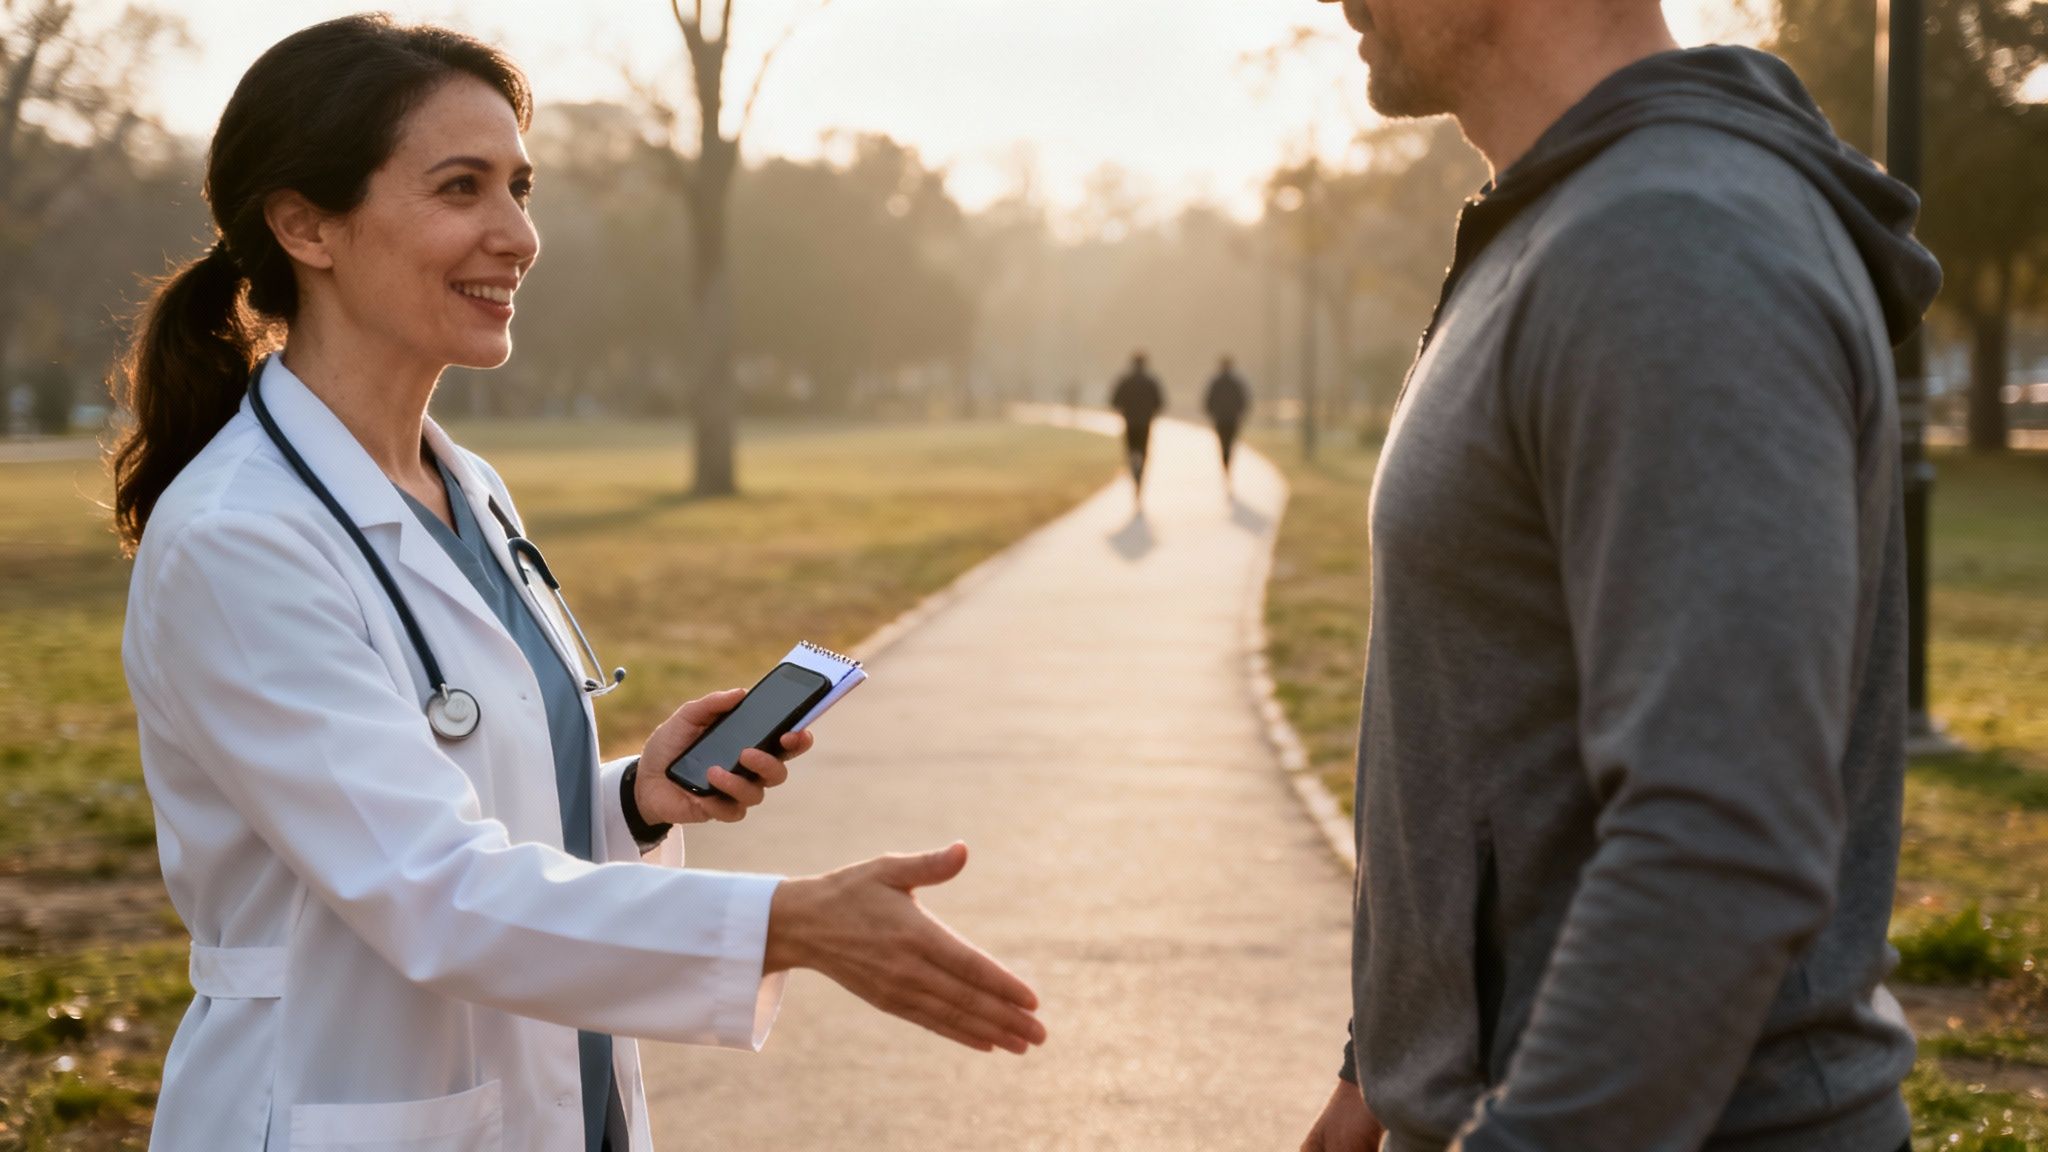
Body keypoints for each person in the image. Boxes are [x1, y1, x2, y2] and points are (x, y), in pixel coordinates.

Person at [109, 17, 1043, 1152]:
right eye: (462, 188)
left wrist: (633, 801)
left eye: (520, 185)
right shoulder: (237, 538)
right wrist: (790, 924)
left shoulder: (469, 488)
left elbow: (467, 799)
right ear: (305, 224)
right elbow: (430, 888)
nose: (518, 235)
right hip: (341, 1105)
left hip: (556, 1100)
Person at [1298, 2, 1940, 1151]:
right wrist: (1387, 1064)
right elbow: (1495, 723)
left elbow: (1720, 829)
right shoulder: (1569, 221)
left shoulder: (1675, 241)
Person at [1109, 352, 1165, 497]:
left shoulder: (1125, 380)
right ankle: (1139, 475)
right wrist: (1151, 411)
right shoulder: (1151, 381)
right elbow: (1160, 402)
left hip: (1130, 421)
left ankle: (1135, 472)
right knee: (1143, 449)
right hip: (1145, 422)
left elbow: (1114, 401)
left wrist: (1123, 409)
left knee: (1131, 449)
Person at [1203, 357, 1251, 479]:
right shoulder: (1236, 383)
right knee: (1230, 443)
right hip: (1232, 418)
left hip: (1220, 418)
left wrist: (1212, 413)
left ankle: (1225, 463)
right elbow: (1243, 401)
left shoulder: (1216, 382)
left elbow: (1208, 401)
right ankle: (1227, 463)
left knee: (1223, 443)